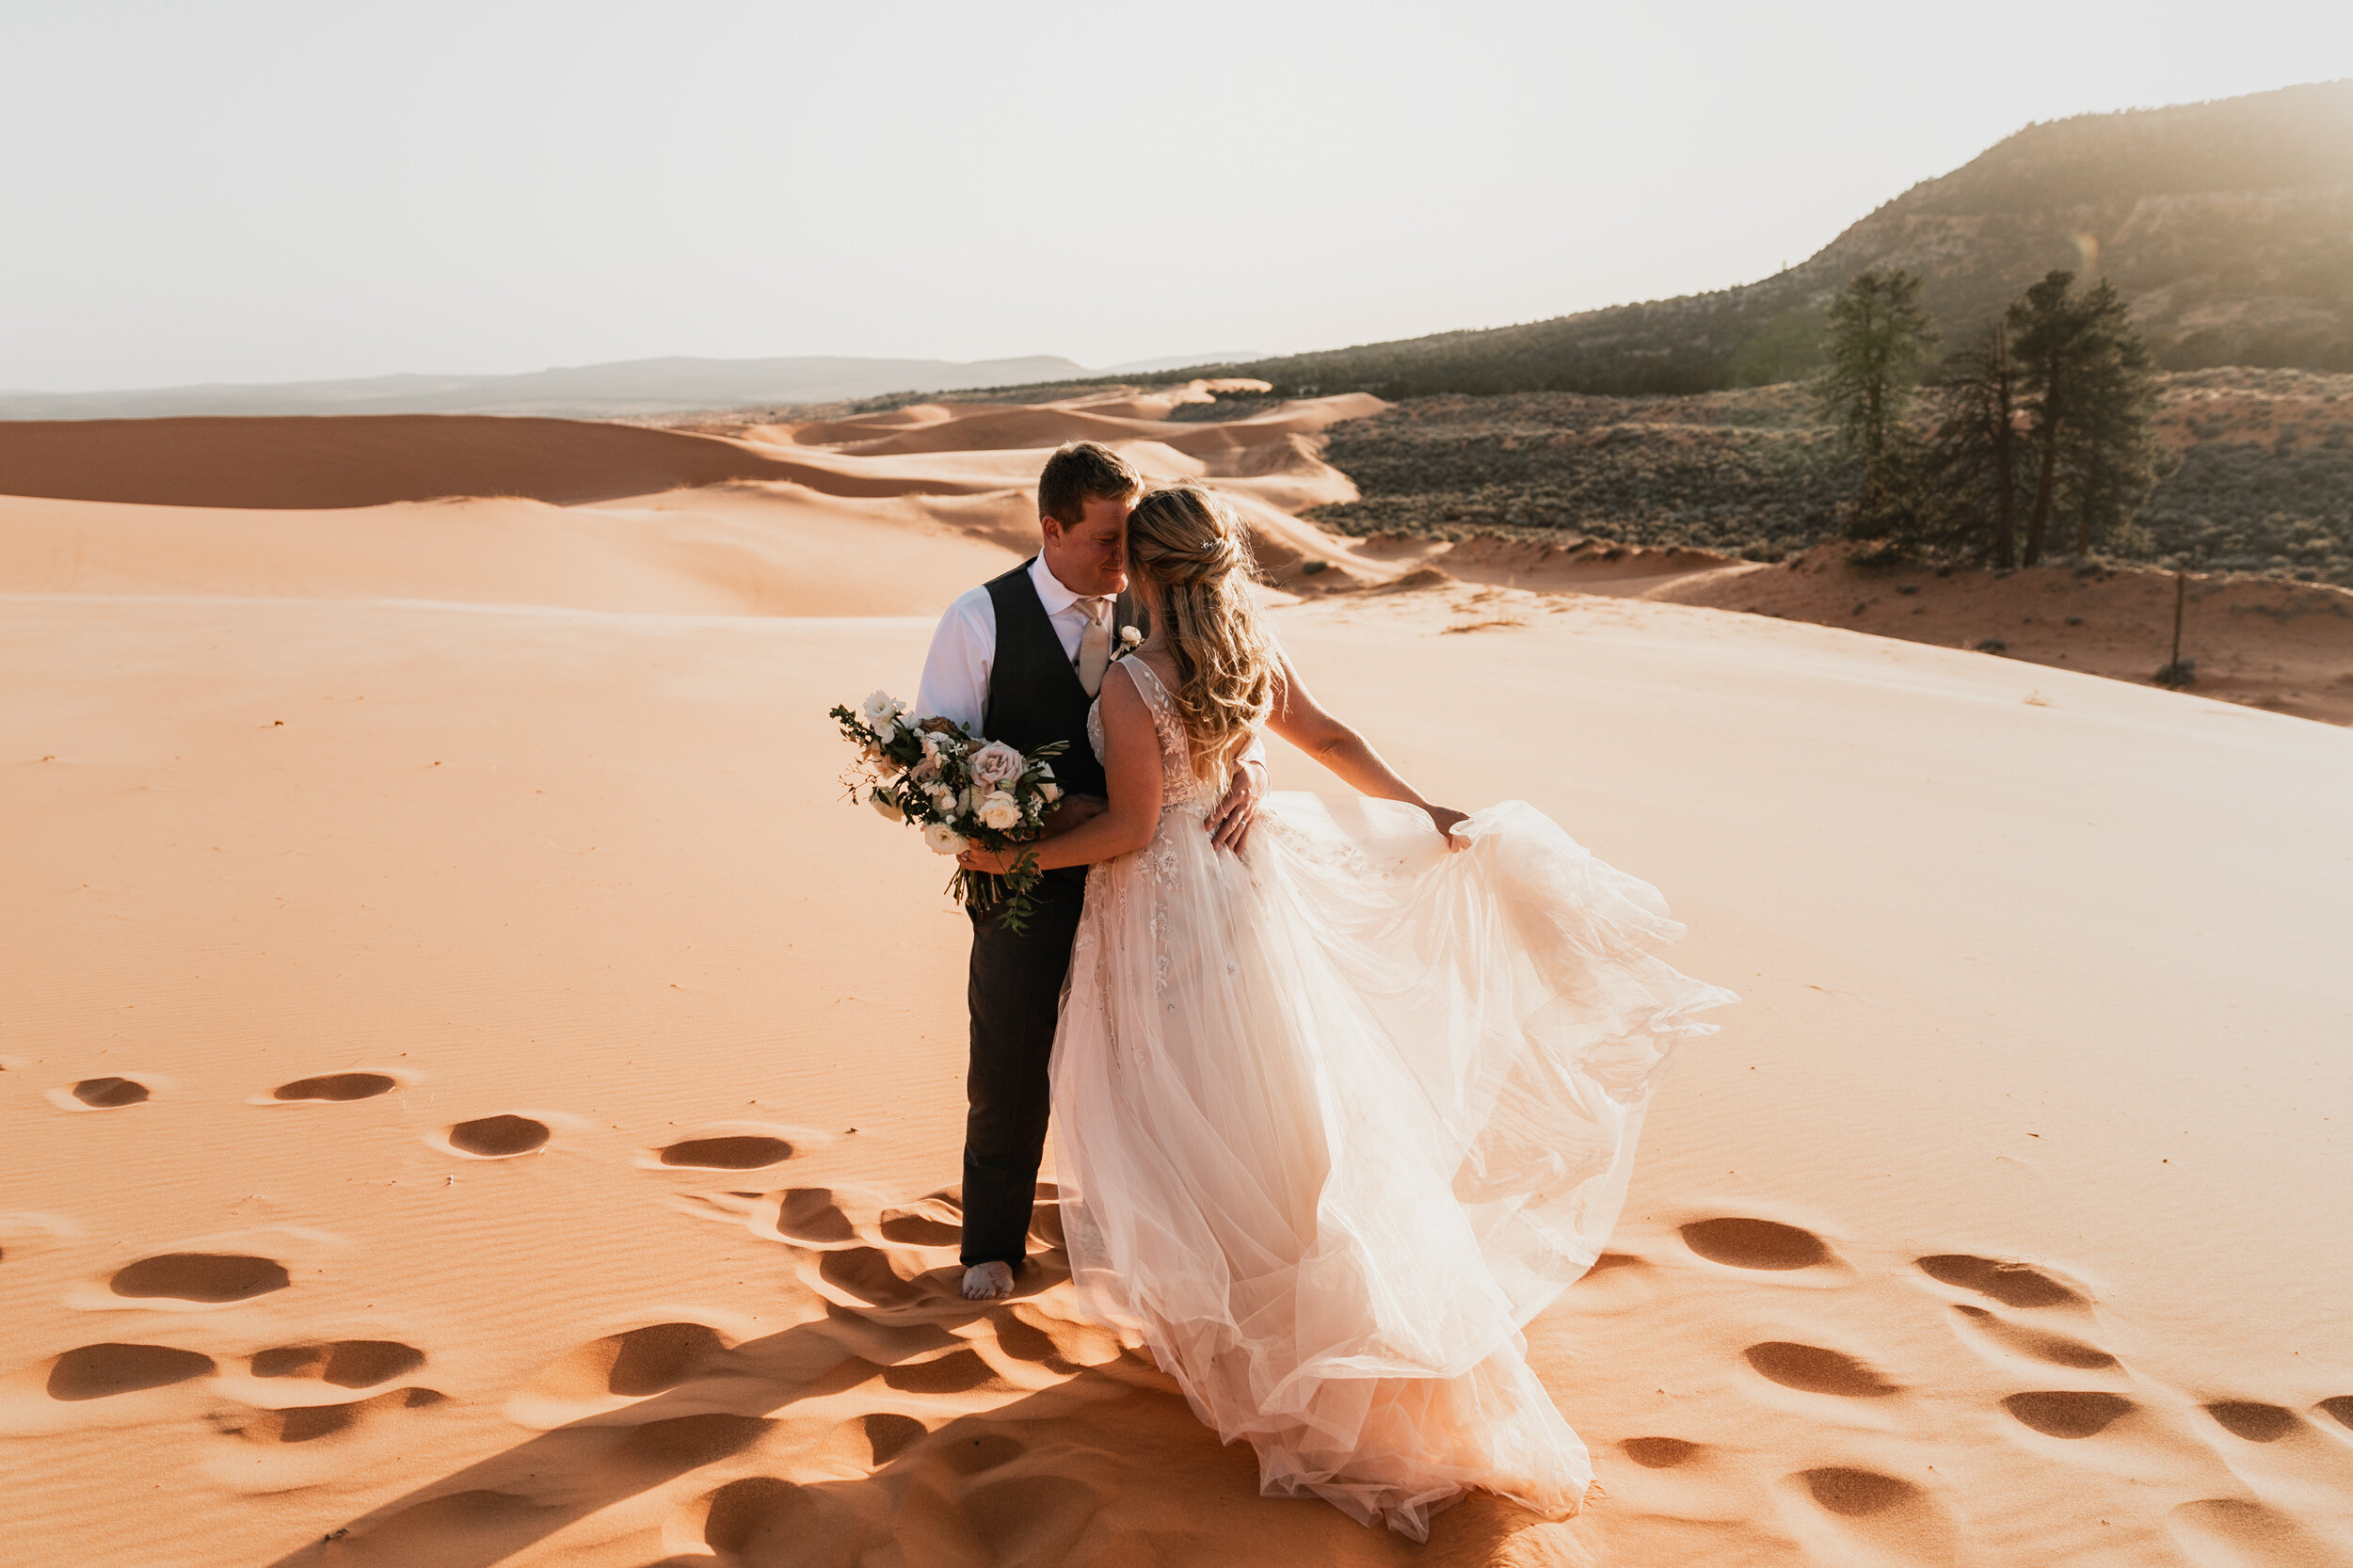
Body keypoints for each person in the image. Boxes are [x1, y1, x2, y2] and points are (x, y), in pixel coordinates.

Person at [953, 483, 1736, 1538]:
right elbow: (1325, 731)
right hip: (1245, 897)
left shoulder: (1138, 681)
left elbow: (1133, 828)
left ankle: (1256, 1339)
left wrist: (1010, 851)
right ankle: (1274, 1312)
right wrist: (1421, 808)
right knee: (1266, 1097)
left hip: (1165, 912)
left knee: (1178, 1108)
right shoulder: (1245, 648)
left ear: (1147, 570)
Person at [915, 442, 1267, 1304]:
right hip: (1027, 885)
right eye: (1111, 540)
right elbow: (937, 767)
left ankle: (1144, 1239)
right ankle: (993, 1245)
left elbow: (1219, 703)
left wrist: (1247, 765)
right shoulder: (979, 619)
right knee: (1011, 1060)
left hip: (1149, 886)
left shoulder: (1155, 609)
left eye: (1135, 539)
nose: (1128, 558)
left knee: (1154, 1065)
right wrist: (1028, 823)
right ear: (1052, 529)